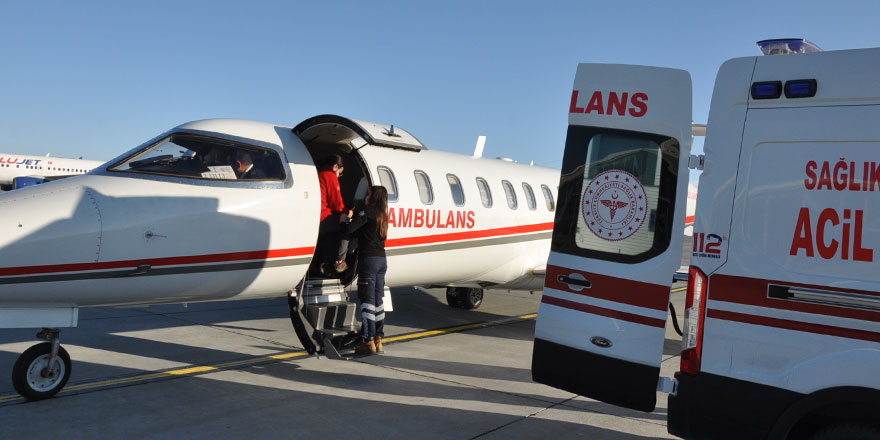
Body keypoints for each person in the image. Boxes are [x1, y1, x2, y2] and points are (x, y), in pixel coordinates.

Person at [348, 186, 389, 355]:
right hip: (381, 260)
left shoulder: (368, 212)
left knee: (367, 301)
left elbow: (350, 230)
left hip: (369, 261)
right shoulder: (382, 215)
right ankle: (378, 339)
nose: (366, 196)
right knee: (378, 301)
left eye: (368, 194)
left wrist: (347, 218)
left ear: (372, 197)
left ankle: (368, 341)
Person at [317, 154, 352, 273]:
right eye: (340, 173)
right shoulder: (330, 175)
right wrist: (348, 212)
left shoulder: (320, 173)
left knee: (330, 235)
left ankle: (325, 262)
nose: (339, 176)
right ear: (335, 166)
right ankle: (340, 262)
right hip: (324, 216)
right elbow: (336, 203)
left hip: (318, 215)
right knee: (345, 228)